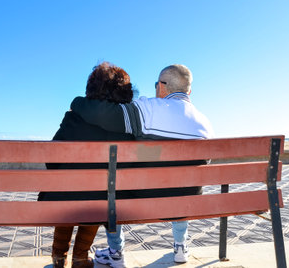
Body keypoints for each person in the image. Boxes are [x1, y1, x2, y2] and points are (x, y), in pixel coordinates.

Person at [70, 64, 214, 266]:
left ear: (162, 87)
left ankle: (116, 252)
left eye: (157, 85)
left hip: (143, 201)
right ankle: (180, 245)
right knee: (184, 182)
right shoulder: (205, 124)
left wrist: (77, 102)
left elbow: (102, 114)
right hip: (185, 203)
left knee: (111, 188)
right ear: (188, 91)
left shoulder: (148, 109)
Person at [38, 62, 135, 268]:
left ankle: (58, 257)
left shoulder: (74, 117)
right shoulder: (126, 124)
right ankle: (80, 257)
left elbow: (52, 159)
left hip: (65, 197)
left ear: (92, 87)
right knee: (100, 197)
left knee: (68, 193)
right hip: (103, 201)